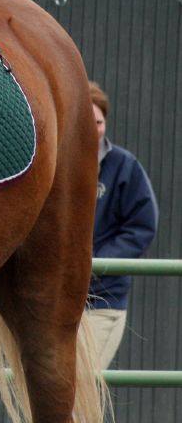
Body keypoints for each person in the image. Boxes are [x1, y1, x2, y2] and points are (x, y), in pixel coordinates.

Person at [87, 80, 158, 369]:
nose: (94, 129)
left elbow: (142, 225)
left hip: (103, 299)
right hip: (55, 296)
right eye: (86, 121)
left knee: (82, 384)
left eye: (99, 121)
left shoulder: (124, 166)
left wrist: (96, 264)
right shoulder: (57, 162)